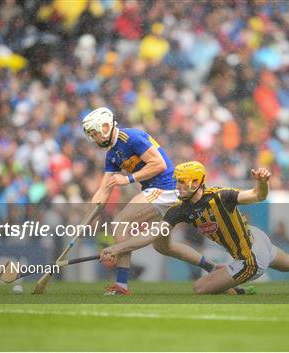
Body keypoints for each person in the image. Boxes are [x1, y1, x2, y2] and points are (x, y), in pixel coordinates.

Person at [101, 161, 289, 294]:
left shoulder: (222, 195)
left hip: (249, 259)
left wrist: (263, 182)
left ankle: (241, 288)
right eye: (178, 182)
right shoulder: (180, 210)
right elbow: (153, 234)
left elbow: (257, 196)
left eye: (185, 182)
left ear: (198, 183)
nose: (179, 187)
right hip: (256, 239)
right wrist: (119, 246)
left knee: (199, 288)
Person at [81, 107, 218, 295]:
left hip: (165, 188)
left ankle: (121, 285)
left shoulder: (131, 138)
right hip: (154, 191)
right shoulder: (112, 155)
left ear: (105, 127)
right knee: (164, 246)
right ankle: (214, 269)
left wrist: (128, 179)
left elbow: (159, 164)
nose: (93, 139)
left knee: (121, 221)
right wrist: (87, 219)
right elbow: (104, 189)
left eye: (95, 133)